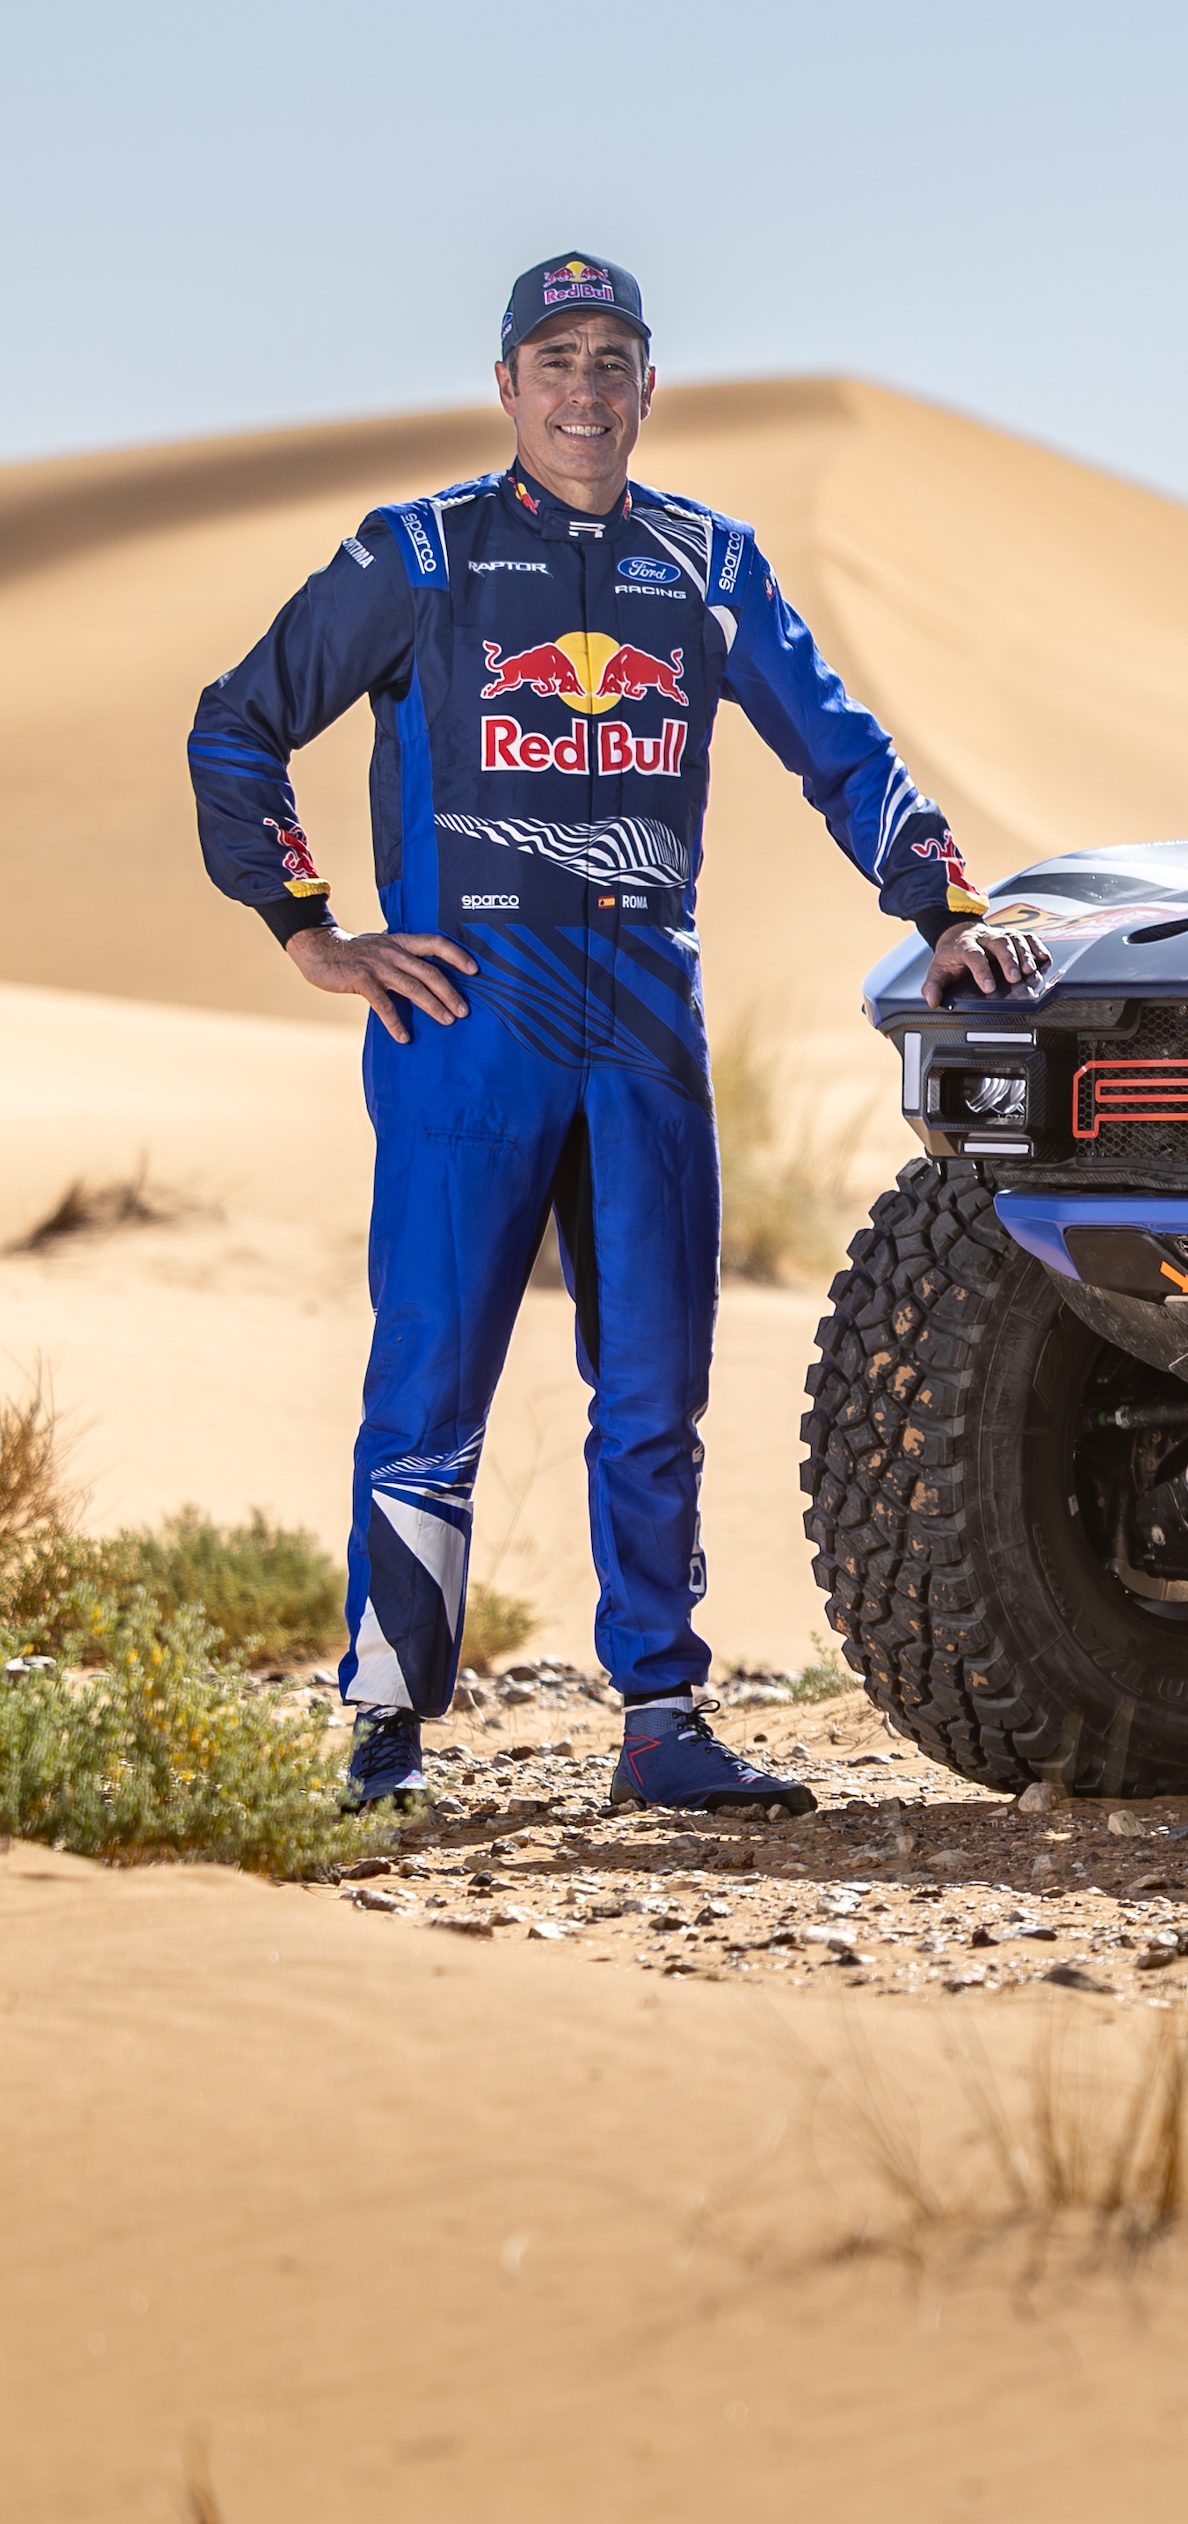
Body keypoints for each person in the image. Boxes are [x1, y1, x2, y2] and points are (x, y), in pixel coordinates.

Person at [185, 253, 1047, 1819]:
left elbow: (840, 749)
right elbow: (238, 719)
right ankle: (384, 1728)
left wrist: (944, 911)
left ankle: (663, 1722)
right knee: (430, 1384)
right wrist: (308, 927)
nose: (587, 387)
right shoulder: (419, 554)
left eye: (615, 359)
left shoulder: (708, 560)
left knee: (654, 1392)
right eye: (558, 358)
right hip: (467, 1033)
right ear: (507, 386)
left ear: (650, 389)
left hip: (647, 1040)